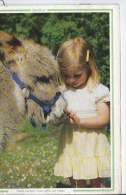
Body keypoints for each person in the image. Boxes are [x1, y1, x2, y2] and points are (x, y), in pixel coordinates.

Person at [54, 37, 111, 188]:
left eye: (76, 75)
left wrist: (81, 122)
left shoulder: (97, 90)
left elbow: (104, 118)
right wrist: (56, 119)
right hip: (71, 144)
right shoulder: (63, 92)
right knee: (76, 181)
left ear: (88, 66)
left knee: (98, 183)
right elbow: (57, 117)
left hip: (92, 145)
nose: (71, 80)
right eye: (66, 75)